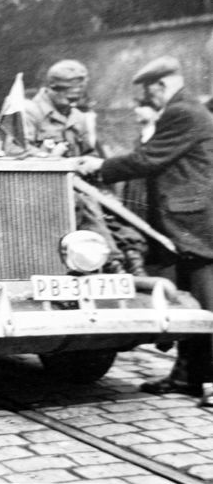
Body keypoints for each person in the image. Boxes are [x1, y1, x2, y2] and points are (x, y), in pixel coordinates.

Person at [77, 55, 213, 398]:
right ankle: (187, 377)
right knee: (191, 305)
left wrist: (98, 166)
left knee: (207, 304)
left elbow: (148, 159)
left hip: (194, 223)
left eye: (148, 92)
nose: (146, 100)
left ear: (162, 85)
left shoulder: (181, 113)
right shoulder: (189, 110)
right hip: (188, 221)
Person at [24, 59, 147, 274]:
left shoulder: (78, 118)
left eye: (76, 98)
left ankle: (133, 258)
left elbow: (89, 153)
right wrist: (57, 160)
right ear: (52, 89)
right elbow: (17, 154)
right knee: (85, 204)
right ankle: (112, 261)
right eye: (68, 97)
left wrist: (87, 164)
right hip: (39, 189)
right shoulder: (29, 113)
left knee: (114, 209)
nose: (72, 103)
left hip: (81, 188)